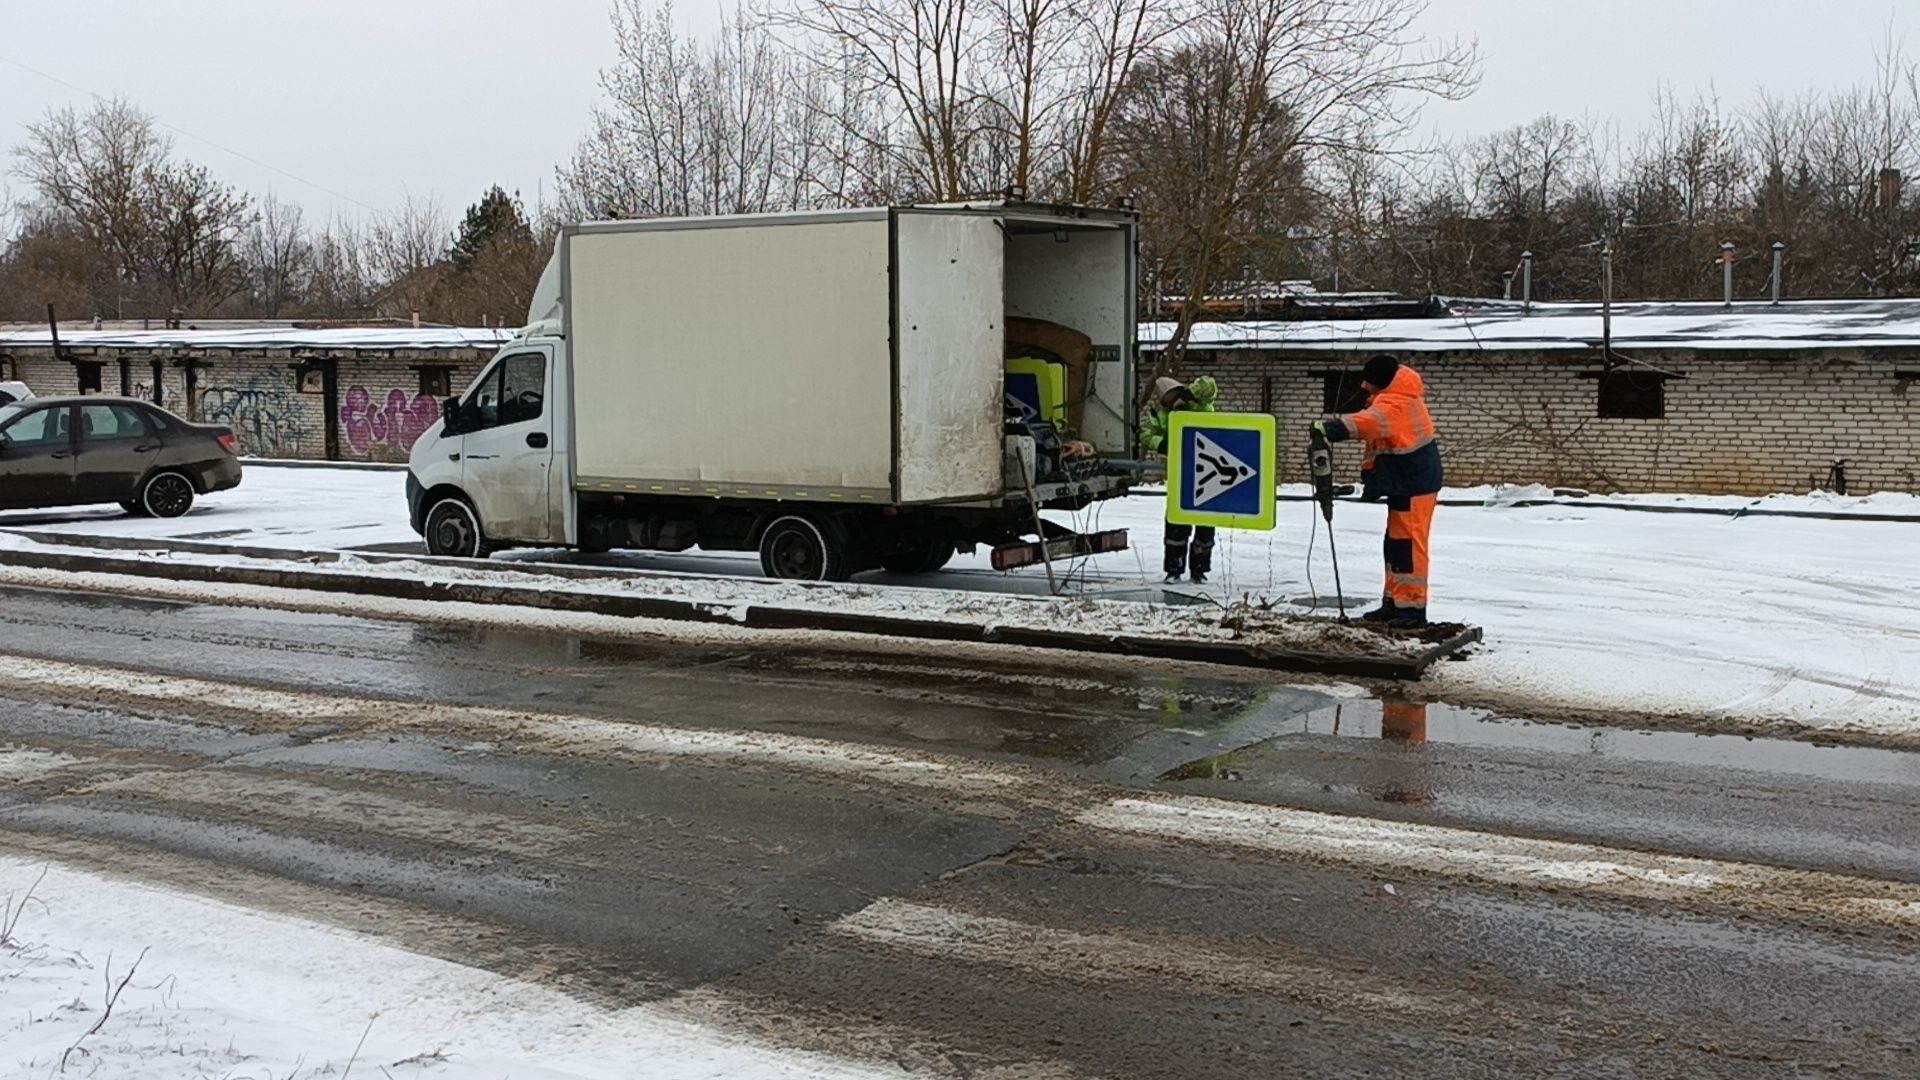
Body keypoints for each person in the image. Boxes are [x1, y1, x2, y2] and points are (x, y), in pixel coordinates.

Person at [1312, 355, 1443, 627]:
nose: (1364, 387)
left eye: (1369, 382)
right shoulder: (1397, 396)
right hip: (1406, 481)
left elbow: (1368, 423)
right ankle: (1394, 602)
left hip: (1414, 483)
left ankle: (1412, 611)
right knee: (1395, 546)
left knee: (1407, 547)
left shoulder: (1397, 402)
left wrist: (1330, 427)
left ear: (1381, 381)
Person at [1142, 374, 1220, 584]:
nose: (1171, 402)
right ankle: (1174, 570)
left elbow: (1209, 384)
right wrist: (1161, 444)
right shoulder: (1162, 415)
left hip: (1209, 473)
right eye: (1166, 400)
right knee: (1176, 527)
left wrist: (1190, 395)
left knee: (1205, 527)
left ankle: (1199, 571)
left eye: (1173, 396)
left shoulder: (1201, 404)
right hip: (1179, 476)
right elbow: (1146, 434)